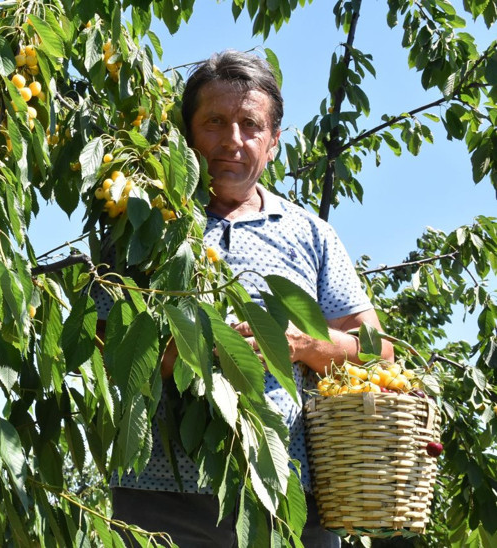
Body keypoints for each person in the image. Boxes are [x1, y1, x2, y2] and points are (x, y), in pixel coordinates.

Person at [103, 50, 394, 546]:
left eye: (250, 125)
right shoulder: (145, 225)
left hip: (289, 497)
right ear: (187, 133)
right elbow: (103, 343)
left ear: (274, 142)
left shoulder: (311, 234)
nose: (232, 141)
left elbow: (377, 349)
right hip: (160, 501)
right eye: (214, 122)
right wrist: (195, 353)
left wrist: (299, 344)